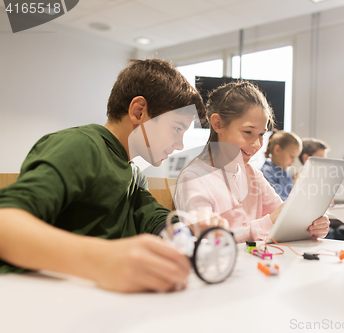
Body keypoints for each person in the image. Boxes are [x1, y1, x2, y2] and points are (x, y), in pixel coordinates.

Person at [0, 59, 225, 293]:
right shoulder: (81, 146)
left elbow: (151, 217)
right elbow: (4, 221)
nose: (179, 145)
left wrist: (188, 228)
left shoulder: (133, 172)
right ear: (139, 111)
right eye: (177, 129)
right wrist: (101, 259)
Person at [174, 81, 330, 243]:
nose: (257, 144)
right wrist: (266, 224)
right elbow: (208, 241)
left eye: (261, 134)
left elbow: (283, 219)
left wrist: (311, 226)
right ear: (218, 124)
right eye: (248, 132)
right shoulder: (193, 178)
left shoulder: (252, 173)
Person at [261, 130, 302, 201]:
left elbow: (291, 197)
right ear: (277, 150)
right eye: (291, 156)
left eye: (295, 157)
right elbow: (275, 199)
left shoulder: (287, 175)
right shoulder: (266, 172)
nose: (293, 161)